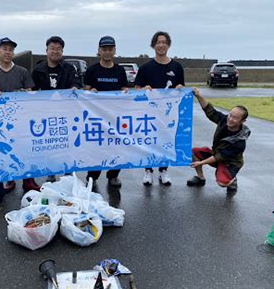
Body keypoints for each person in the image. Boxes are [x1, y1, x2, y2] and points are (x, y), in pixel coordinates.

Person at [0, 37, 40, 193]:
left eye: (11, 50)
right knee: (5, 150)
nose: (8, 52)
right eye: (5, 49)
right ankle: (9, 178)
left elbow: (29, 92)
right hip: (2, 122)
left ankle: (29, 180)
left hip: (21, 119)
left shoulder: (22, 71)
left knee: (25, 148)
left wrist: (19, 93)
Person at [134, 31, 185, 186]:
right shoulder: (145, 68)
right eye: (158, 42)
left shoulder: (176, 67)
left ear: (168, 45)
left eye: (164, 42)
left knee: (166, 140)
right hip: (149, 112)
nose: (161, 45)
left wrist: (180, 87)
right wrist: (144, 88)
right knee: (149, 140)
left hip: (168, 113)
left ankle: (164, 170)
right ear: (153, 45)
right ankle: (148, 171)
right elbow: (136, 89)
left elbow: (181, 87)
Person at [32, 36, 81, 183]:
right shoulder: (38, 70)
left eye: (58, 49)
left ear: (62, 51)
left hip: (66, 113)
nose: (55, 51)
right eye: (52, 48)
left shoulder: (69, 68)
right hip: (46, 114)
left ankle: (68, 171)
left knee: (68, 143)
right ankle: (51, 171)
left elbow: (77, 84)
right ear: (46, 50)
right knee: (50, 143)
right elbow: (31, 91)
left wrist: (75, 88)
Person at [84, 35, 128, 188]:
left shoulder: (120, 70)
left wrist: (125, 92)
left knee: (117, 147)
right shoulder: (92, 70)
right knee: (97, 148)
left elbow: (124, 89)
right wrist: (91, 92)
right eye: (104, 49)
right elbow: (86, 92)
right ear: (99, 51)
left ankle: (113, 176)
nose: (107, 52)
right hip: (97, 118)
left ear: (114, 50)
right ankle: (92, 176)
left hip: (116, 117)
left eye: (110, 49)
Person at [187, 87, 250, 192]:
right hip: (216, 155)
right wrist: (198, 96)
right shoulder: (224, 120)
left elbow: (218, 157)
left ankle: (232, 179)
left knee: (222, 182)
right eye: (230, 115)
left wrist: (200, 163)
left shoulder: (239, 142)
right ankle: (200, 178)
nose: (230, 119)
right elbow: (210, 111)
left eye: (235, 118)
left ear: (243, 121)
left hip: (230, 163)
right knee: (193, 152)